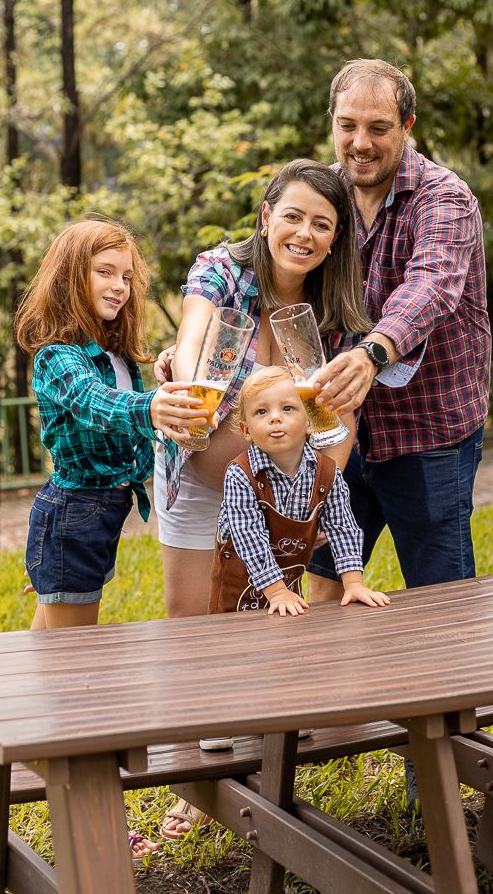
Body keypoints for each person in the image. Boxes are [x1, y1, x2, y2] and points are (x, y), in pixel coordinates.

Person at [154, 159, 371, 840]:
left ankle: (267, 776)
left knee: (271, 616)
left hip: (280, 487)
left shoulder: (331, 310)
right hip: (201, 472)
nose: (304, 233)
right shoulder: (222, 270)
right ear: (267, 215)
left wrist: (314, 476)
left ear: (334, 240)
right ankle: (196, 791)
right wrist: (191, 392)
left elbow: (335, 422)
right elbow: (192, 344)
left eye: (322, 225)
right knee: (195, 629)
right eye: (294, 216)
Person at [15, 217, 202, 861]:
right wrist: (150, 407)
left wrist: (167, 386)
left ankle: (30, 746)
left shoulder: (117, 356)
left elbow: (134, 406)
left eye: (127, 276)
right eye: (105, 272)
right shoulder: (60, 359)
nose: (120, 286)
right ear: (72, 276)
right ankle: (76, 793)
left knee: (55, 648)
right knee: (72, 664)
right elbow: (101, 408)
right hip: (72, 516)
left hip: (96, 517)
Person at [308, 58, 491, 601]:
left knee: (442, 607)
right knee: (315, 595)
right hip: (338, 431)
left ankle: (462, 689)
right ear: (333, 122)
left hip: (427, 436)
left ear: (407, 127)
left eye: (378, 128)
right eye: (347, 126)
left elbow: (430, 286)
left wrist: (370, 354)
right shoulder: (323, 196)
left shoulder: (444, 198)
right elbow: (264, 268)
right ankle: (326, 688)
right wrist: (197, 333)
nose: (360, 143)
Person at [210, 366, 390, 616]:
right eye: (262, 411)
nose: (275, 417)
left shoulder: (326, 472)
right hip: (238, 594)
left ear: (309, 422)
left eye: (288, 408)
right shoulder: (240, 475)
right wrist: (276, 592)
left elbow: (343, 527)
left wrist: (353, 582)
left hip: (289, 591)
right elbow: (249, 537)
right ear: (246, 430)